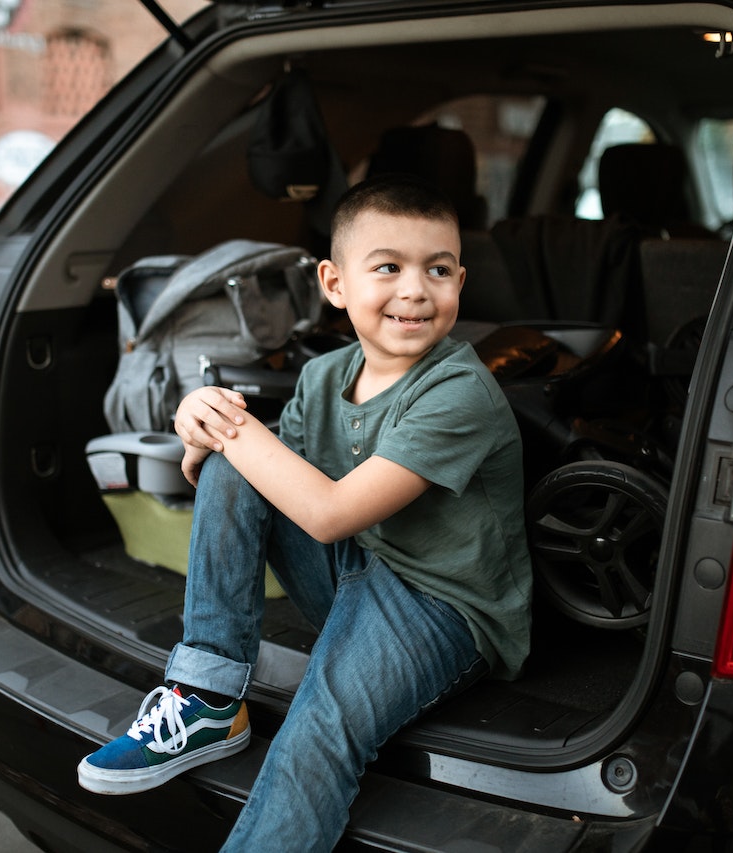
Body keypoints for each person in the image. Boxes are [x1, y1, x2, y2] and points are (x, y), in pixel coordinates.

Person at [77, 173, 533, 851]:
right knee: (238, 461)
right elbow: (245, 475)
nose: (414, 289)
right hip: (356, 567)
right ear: (334, 283)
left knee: (320, 726)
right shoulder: (324, 376)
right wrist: (198, 421)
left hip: (443, 603)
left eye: (437, 269)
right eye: (388, 267)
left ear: (459, 283)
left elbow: (328, 513)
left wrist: (234, 430)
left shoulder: (459, 390)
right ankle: (206, 696)